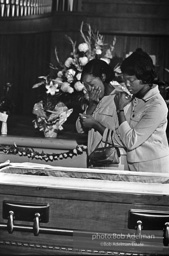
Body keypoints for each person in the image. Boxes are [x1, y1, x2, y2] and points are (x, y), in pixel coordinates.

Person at [103, 48, 169, 172]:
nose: (127, 84)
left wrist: (120, 109)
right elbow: (122, 135)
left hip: (154, 167)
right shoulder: (134, 98)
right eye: (124, 79)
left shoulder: (156, 105)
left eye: (131, 80)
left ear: (144, 78)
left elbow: (130, 141)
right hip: (133, 165)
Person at [76, 59, 128, 169]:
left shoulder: (121, 98)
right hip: (94, 162)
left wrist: (95, 124)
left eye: (91, 84)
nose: (89, 89)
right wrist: (92, 106)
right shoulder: (94, 100)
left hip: (113, 164)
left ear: (103, 77)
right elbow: (79, 129)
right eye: (86, 86)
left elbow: (124, 137)